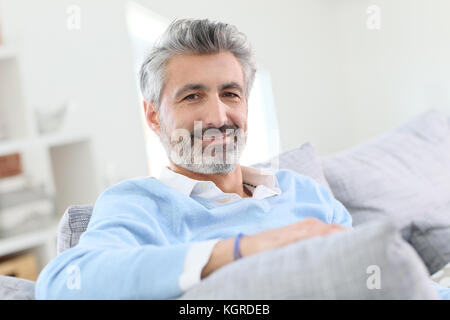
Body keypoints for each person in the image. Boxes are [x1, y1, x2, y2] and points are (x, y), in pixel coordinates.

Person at [34, 18, 449, 300]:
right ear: (153, 115)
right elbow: (61, 284)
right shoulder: (138, 204)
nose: (218, 117)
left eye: (230, 94)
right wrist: (244, 249)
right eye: (193, 95)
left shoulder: (299, 190)